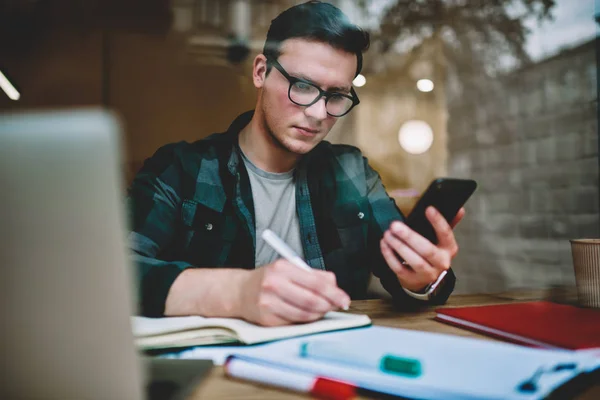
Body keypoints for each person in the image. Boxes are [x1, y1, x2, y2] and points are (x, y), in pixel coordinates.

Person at [127, 0, 465, 326]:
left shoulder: (352, 173)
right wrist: (237, 292)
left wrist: (424, 279)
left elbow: (406, 277)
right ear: (261, 72)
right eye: (302, 86)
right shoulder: (181, 170)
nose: (318, 113)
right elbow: (111, 272)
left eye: (335, 96)